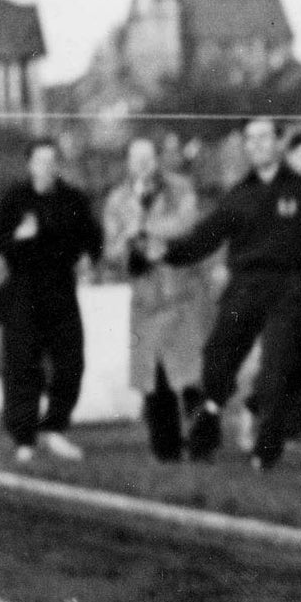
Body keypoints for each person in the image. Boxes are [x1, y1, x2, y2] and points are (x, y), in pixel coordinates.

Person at [159, 119, 301, 470]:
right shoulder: (238, 194)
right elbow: (204, 237)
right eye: (250, 139)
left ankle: (266, 452)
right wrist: (166, 252)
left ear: (279, 142)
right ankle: (206, 430)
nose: (257, 145)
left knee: (277, 370)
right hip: (245, 287)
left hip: (288, 288)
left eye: (264, 137)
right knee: (217, 359)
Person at [0, 139, 104, 463]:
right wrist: (18, 236)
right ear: (30, 164)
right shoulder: (15, 198)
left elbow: (94, 238)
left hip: (61, 289)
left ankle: (55, 428)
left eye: (52, 161)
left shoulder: (73, 198)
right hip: (23, 290)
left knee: (70, 361)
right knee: (22, 364)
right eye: (40, 161)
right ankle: (24, 437)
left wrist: (89, 258)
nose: (47, 167)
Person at [102, 135, 211, 461]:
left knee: (194, 376)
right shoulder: (117, 199)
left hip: (182, 296)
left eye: (149, 158)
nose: (144, 165)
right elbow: (112, 249)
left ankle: (203, 444)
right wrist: (130, 241)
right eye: (137, 159)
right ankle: (166, 450)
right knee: (155, 381)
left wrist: (142, 228)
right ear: (128, 163)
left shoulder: (180, 187)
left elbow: (186, 223)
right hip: (147, 301)